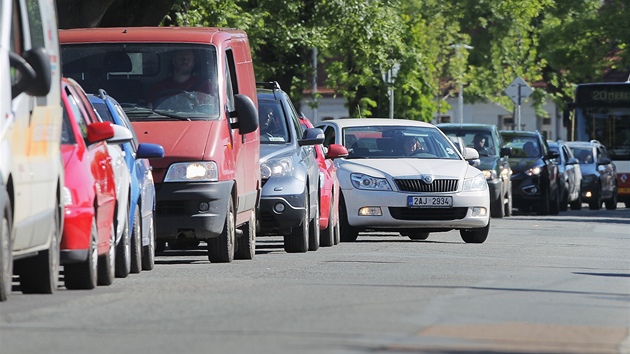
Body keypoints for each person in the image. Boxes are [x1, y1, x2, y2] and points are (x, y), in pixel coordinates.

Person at [149, 49, 214, 109]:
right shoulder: (159, 87)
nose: (185, 61)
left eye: (188, 59)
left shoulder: (204, 86)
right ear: (174, 61)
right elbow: (150, 110)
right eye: (181, 58)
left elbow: (210, 109)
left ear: (193, 63)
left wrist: (197, 107)